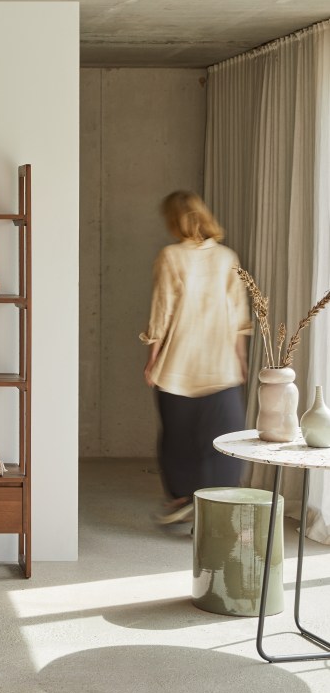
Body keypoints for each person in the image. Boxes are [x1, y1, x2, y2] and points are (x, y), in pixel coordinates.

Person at [140, 191, 251, 524]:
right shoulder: (227, 257)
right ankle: (218, 507)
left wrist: (152, 357)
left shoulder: (171, 256)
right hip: (220, 365)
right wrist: (241, 359)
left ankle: (182, 500)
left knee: (178, 438)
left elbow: (162, 311)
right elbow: (238, 316)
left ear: (173, 220)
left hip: (179, 365)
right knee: (224, 438)